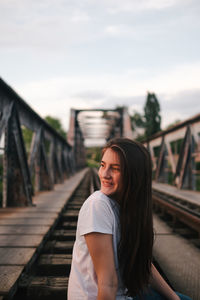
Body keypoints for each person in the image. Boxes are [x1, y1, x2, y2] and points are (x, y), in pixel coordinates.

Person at [68, 138, 192, 300]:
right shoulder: (97, 205)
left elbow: (143, 265)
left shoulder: (127, 207)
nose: (104, 174)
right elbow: (108, 283)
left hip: (124, 293)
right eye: (103, 165)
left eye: (115, 168)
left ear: (134, 174)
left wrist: (175, 299)